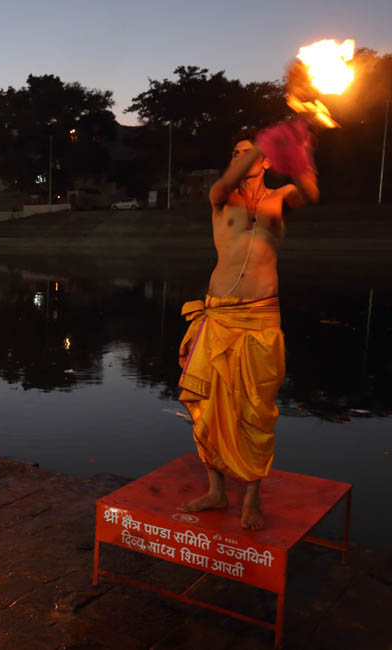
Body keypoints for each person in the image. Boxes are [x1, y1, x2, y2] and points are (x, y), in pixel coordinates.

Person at [177, 117, 318, 530]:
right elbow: (225, 182)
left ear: (268, 162)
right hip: (219, 314)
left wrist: (299, 149)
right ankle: (216, 490)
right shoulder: (222, 198)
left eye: (249, 153)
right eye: (236, 153)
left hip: (260, 317)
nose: (241, 157)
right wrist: (262, 143)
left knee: (256, 409)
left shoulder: (280, 197)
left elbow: (309, 192)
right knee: (208, 408)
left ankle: (251, 498)